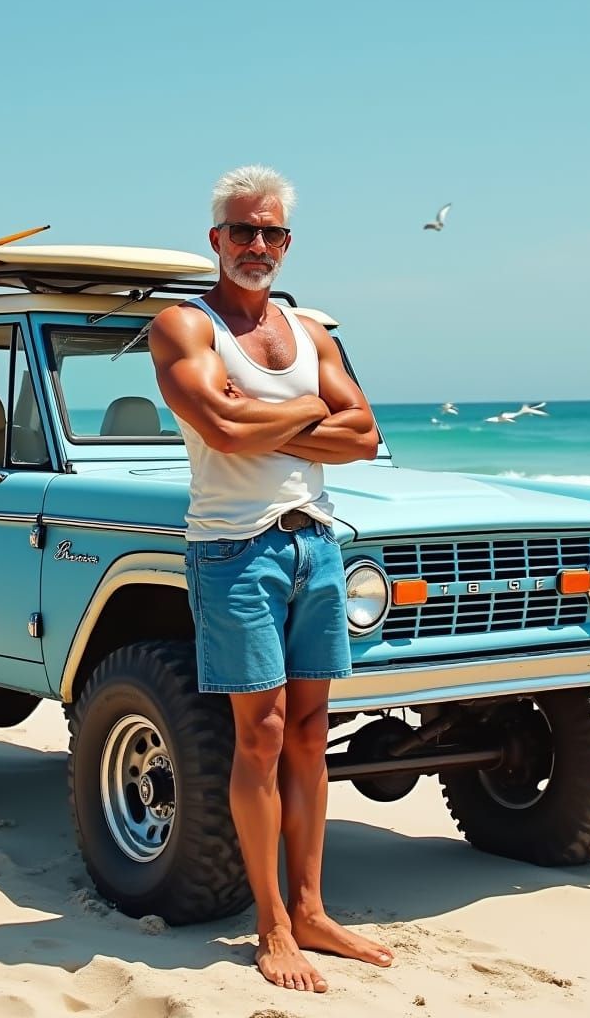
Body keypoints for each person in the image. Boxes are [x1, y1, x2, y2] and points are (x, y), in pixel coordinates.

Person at [149, 165, 394, 993]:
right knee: (258, 734)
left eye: (273, 233)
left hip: (315, 544)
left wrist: (262, 424)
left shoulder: (309, 329)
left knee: (309, 733)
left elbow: (364, 436)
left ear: (287, 243)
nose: (259, 245)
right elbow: (216, 423)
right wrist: (303, 418)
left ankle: (315, 908)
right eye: (244, 231)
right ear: (216, 239)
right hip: (233, 548)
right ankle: (272, 923)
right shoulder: (184, 326)